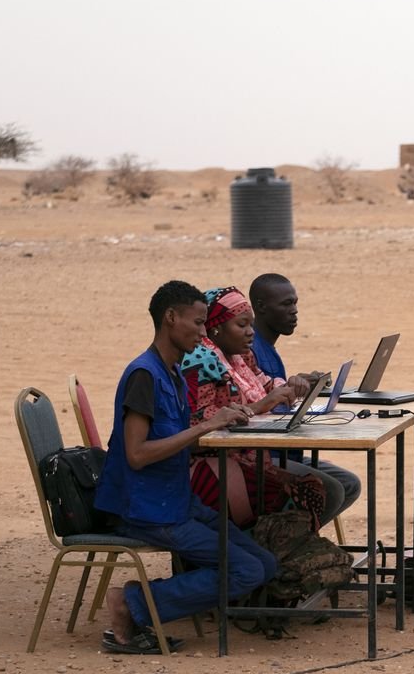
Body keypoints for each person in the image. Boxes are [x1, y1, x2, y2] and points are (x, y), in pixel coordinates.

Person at [94, 280, 277, 654]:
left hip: (176, 499)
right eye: (197, 322)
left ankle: (140, 603)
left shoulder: (173, 371)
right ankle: (132, 604)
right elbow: (137, 454)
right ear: (170, 317)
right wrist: (207, 426)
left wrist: (224, 420)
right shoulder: (144, 375)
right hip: (148, 508)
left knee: (263, 562)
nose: (203, 331)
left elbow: (182, 438)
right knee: (247, 569)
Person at [180, 286, 327, 529]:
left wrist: (292, 386)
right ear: (215, 326)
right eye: (241, 325)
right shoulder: (198, 363)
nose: (250, 333)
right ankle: (261, 557)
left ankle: (272, 557)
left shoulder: (240, 356)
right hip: (208, 466)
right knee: (300, 495)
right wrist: (261, 406)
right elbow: (199, 426)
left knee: (313, 488)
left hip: (249, 458)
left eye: (250, 325)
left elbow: (267, 384)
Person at [249, 273, 362, 524]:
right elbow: (259, 407)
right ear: (261, 307)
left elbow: (269, 392)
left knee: (348, 484)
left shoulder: (268, 349)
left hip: (283, 449)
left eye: (295, 303)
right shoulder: (251, 349)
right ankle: (286, 546)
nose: (294, 311)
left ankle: (295, 541)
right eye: (286, 304)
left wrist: (299, 386)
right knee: (332, 490)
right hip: (263, 454)